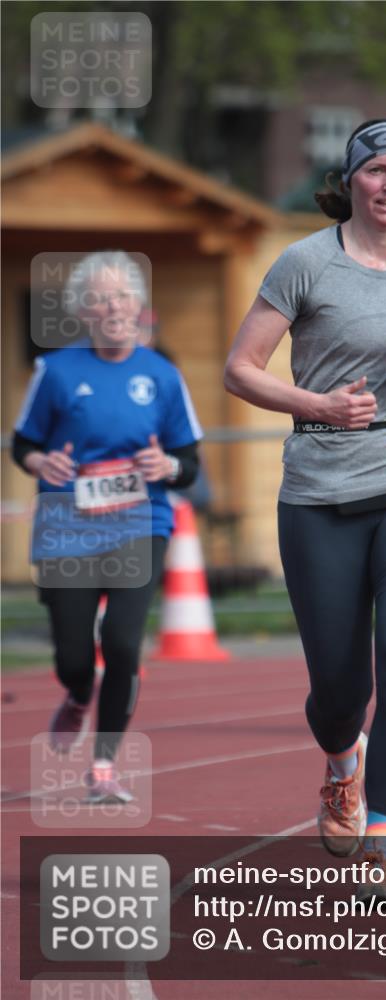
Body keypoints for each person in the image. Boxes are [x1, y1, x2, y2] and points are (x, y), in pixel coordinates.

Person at [224, 120, 386, 901]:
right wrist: (320, 405)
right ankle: (343, 764)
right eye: (376, 172)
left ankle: (380, 850)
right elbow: (240, 369)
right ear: (352, 180)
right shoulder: (304, 263)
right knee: (339, 690)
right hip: (321, 489)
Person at [12, 250, 202, 803]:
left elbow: (188, 461)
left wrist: (165, 466)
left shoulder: (162, 375)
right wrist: (39, 463)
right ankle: (76, 697)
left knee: (121, 642)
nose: (113, 306)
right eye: (100, 298)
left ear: (140, 306)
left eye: (122, 295)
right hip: (66, 525)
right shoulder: (56, 371)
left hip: (140, 522)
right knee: (75, 658)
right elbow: (25, 443)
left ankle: (103, 767)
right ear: (83, 311)